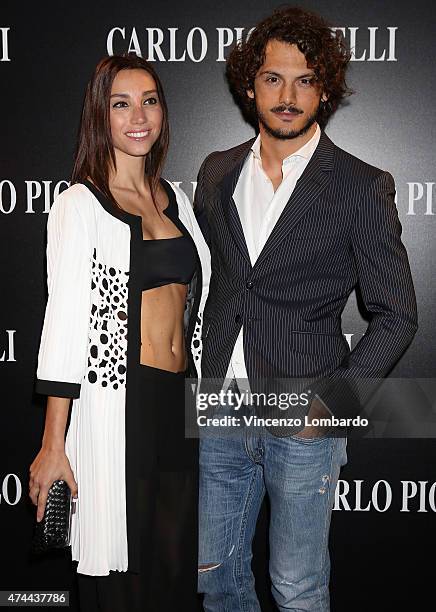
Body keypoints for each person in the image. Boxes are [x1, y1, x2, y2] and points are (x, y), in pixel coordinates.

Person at [194, 6, 418, 611]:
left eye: (305, 80)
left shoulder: (360, 184)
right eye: (273, 78)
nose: (288, 96)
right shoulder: (216, 173)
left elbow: (397, 314)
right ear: (250, 85)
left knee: (297, 590)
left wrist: (333, 408)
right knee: (215, 579)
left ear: (325, 89)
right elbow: (226, 287)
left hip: (305, 416)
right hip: (222, 409)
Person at [28, 53, 210, 611]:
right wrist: (53, 445)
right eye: (121, 103)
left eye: (149, 102)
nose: (139, 116)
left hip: (180, 407)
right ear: (99, 117)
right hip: (120, 407)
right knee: (123, 578)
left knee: (175, 571)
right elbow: (63, 328)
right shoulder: (79, 205)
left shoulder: (175, 201)